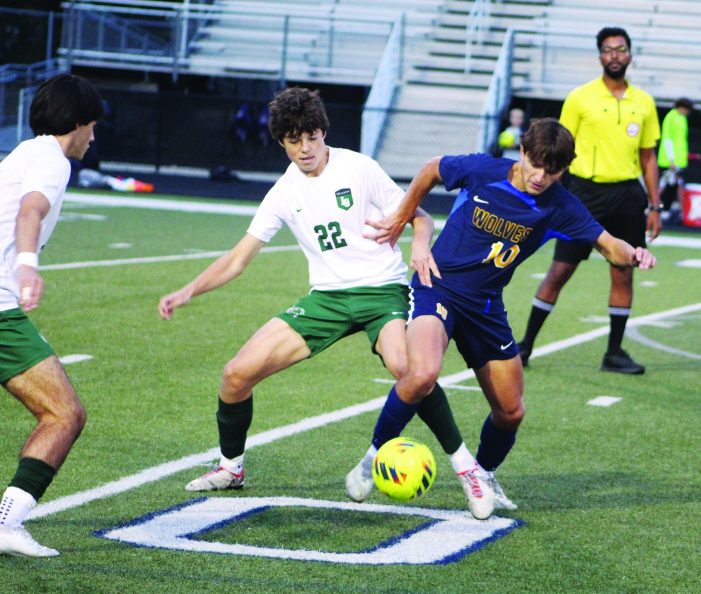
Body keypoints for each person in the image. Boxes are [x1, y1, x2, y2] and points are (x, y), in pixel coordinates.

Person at [158, 87, 481, 509]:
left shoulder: (359, 168)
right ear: (281, 142)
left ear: (323, 132)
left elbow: (420, 216)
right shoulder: (282, 192)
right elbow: (239, 258)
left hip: (382, 290)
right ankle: (231, 468)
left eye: (311, 136)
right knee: (236, 375)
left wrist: (420, 245)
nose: (305, 148)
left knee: (409, 369)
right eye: (294, 140)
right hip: (326, 299)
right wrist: (189, 290)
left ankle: (467, 469)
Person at [346, 118, 656, 520]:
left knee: (511, 411)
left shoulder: (560, 204)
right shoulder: (484, 170)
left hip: (487, 306)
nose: (542, 176)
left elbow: (607, 244)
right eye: (537, 164)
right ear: (523, 152)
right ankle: (373, 457)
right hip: (436, 285)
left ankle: (483, 473)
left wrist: (633, 253)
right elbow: (431, 169)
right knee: (422, 374)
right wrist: (401, 217)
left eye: (554, 170)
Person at [517, 27, 662, 375]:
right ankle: (525, 346)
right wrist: (550, 196)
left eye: (621, 49)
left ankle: (614, 353)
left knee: (624, 272)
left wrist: (654, 206)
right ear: (600, 56)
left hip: (628, 195)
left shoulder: (644, 102)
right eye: (608, 50)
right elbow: (559, 150)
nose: (615, 55)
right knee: (560, 270)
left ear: (630, 54)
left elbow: (649, 157)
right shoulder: (580, 98)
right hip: (583, 193)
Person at [0, 73, 103, 557]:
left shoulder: (25, 151)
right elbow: (29, 212)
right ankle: (8, 521)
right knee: (64, 413)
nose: (94, 137)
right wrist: (27, 266)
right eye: (92, 126)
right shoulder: (52, 159)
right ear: (78, 123)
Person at [658, 98, 693, 222]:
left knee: (675, 186)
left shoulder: (682, 119)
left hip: (679, 161)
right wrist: (671, 159)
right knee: (664, 186)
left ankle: (670, 210)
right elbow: (667, 139)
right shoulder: (670, 117)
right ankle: (658, 208)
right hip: (669, 161)